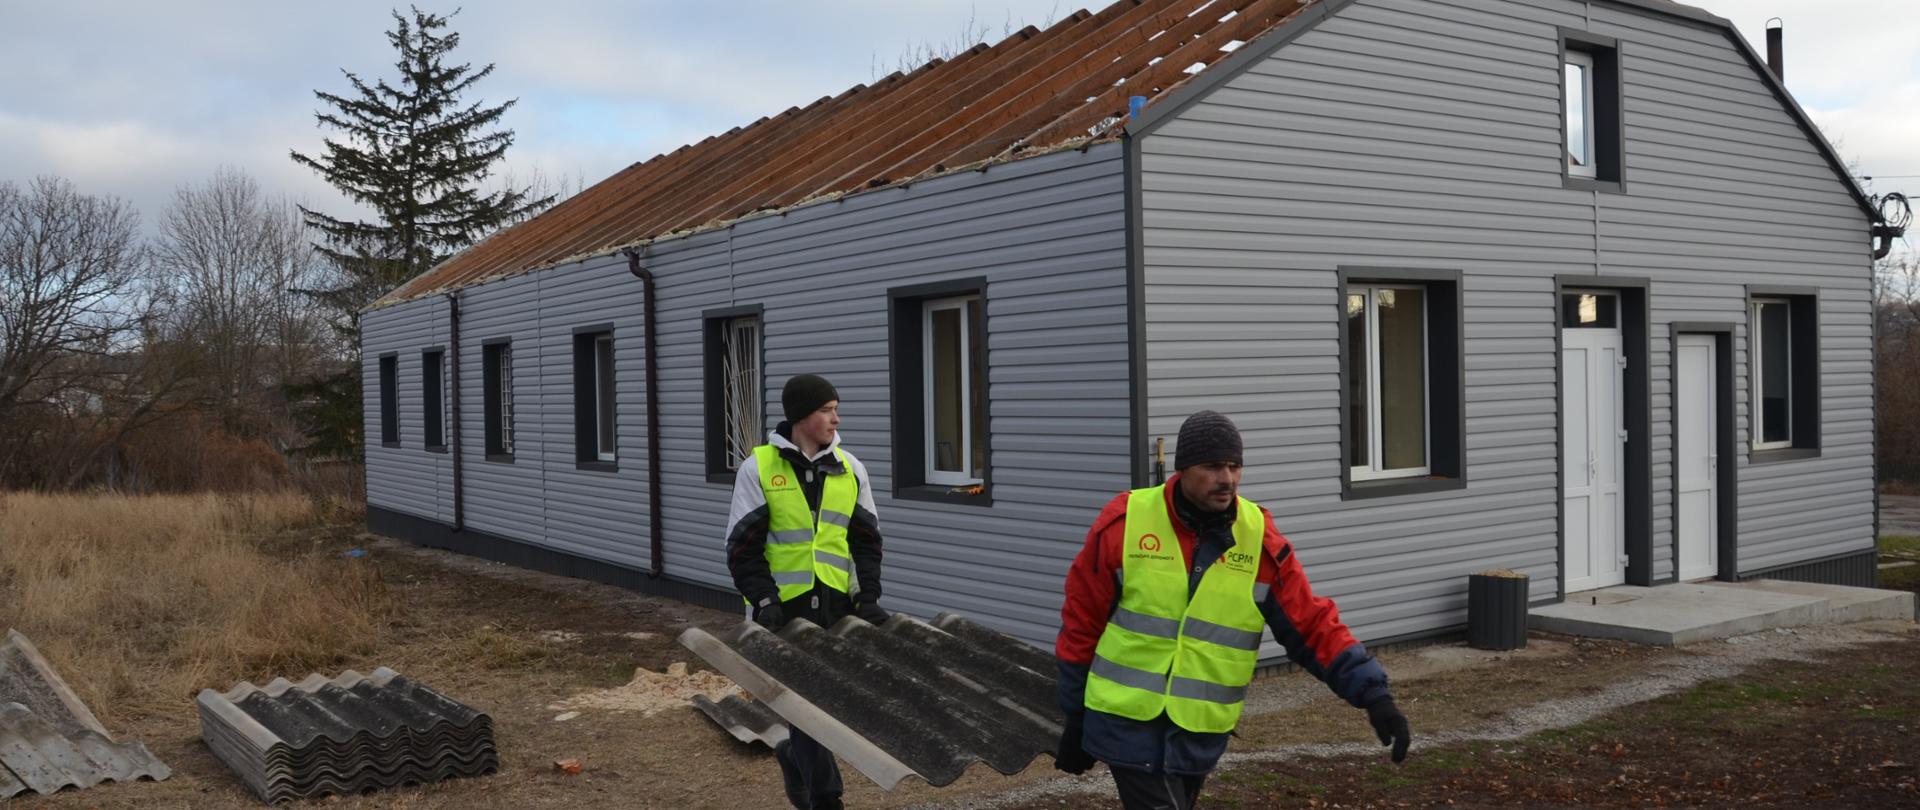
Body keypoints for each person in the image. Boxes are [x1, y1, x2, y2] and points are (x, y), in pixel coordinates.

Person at [1053, 410, 1411, 810]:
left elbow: (1309, 624)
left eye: (1235, 466)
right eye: (1213, 466)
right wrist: (1076, 716)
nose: (1227, 478)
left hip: (1200, 730)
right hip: (1125, 722)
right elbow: (1082, 622)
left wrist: (1375, 696)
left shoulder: (1258, 539)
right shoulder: (1125, 523)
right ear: (1183, 469)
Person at [725, 374, 886, 810]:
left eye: (836, 408)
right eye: (826, 409)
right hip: (781, 609)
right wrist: (764, 601)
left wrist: (867, 596)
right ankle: (826, 797)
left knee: (830, 706)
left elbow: (866, 543)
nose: (836, 418)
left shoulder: (851, 469)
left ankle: (793, 756)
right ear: (802, 416)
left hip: (836, 608)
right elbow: (743, 548)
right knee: (806, 702)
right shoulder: (758, 468)